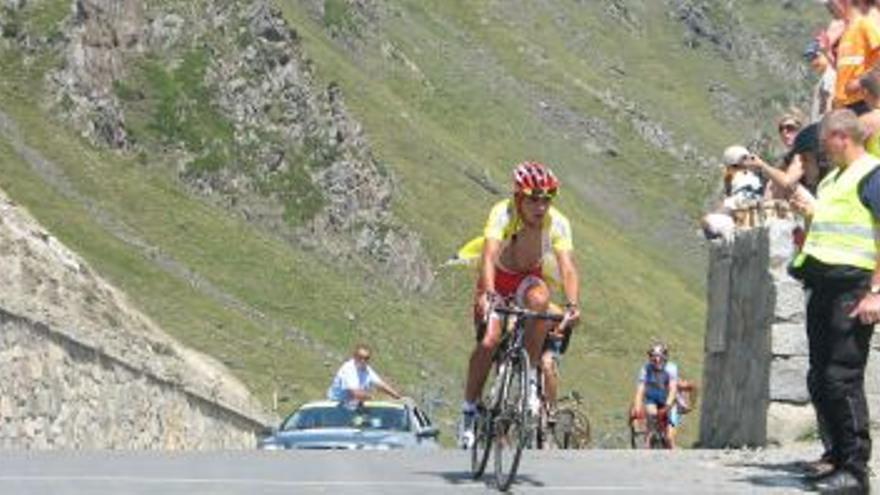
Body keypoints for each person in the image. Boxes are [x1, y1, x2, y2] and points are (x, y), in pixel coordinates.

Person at [458, 161, 581, 449]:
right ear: (518, 198)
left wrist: (573, 304)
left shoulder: (558, 222)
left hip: (528, 280)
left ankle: (527, 376)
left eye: (547, 200)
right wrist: (488, 293)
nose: (541, 207)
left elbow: (568, 268)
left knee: (541, 301)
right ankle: (469, 409)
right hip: (497, 281)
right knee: (488, 341)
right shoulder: (502, 213)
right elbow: (488, 257)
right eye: (534, 199)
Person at [789, 109, 880, 493]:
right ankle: (837, 458)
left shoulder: (872, 174)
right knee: (821, 374)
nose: (822, 149)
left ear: (842, 136)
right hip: (824, 285)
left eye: (825, 141)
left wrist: (876, 291)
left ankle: (856, 471)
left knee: (842, 376)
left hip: (853, 287)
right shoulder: (831, 182)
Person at [827, 0, 880, 115]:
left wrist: (862, 81)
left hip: (862, 103)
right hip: (843, 106)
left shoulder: (865, 25)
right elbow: (845, 68)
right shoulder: (846, 32)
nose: (830, 8)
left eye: (832, 3)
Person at [701, 145, 764, 240]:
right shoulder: (756, 179)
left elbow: (729, 206)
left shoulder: (738, 182)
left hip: (746, 228)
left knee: (706, 221)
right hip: (761, 221)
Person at [629, 342, 680, 449]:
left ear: (665, 358)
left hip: (669, 400)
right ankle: (647, 443)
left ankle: (674, 452)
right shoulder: (646, 369)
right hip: (652, 399)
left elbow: (672, 389)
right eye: (653, 358)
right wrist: (637, 407)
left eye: (660, 358)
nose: (657, 361)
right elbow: (640, 389)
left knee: (669, 438)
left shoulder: (671, 368)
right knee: (651, 416)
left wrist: (667, 406)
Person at [327, 344, 402, 405]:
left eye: (366, 358)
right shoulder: (349, 369)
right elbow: (356, 393)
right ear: (354, 356)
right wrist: (372, 397)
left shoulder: (367, 369)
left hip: (353, 404)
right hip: (337, 405)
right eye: (360, 357)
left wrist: (398, 397)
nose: (363, 361)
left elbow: (381, 385)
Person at [807, 38, 838, 122]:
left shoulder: (830, 75)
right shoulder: (825, 77)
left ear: (825, 54)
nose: (813, 62)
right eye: (810, 59)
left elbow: (830, 99)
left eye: (815, 57)